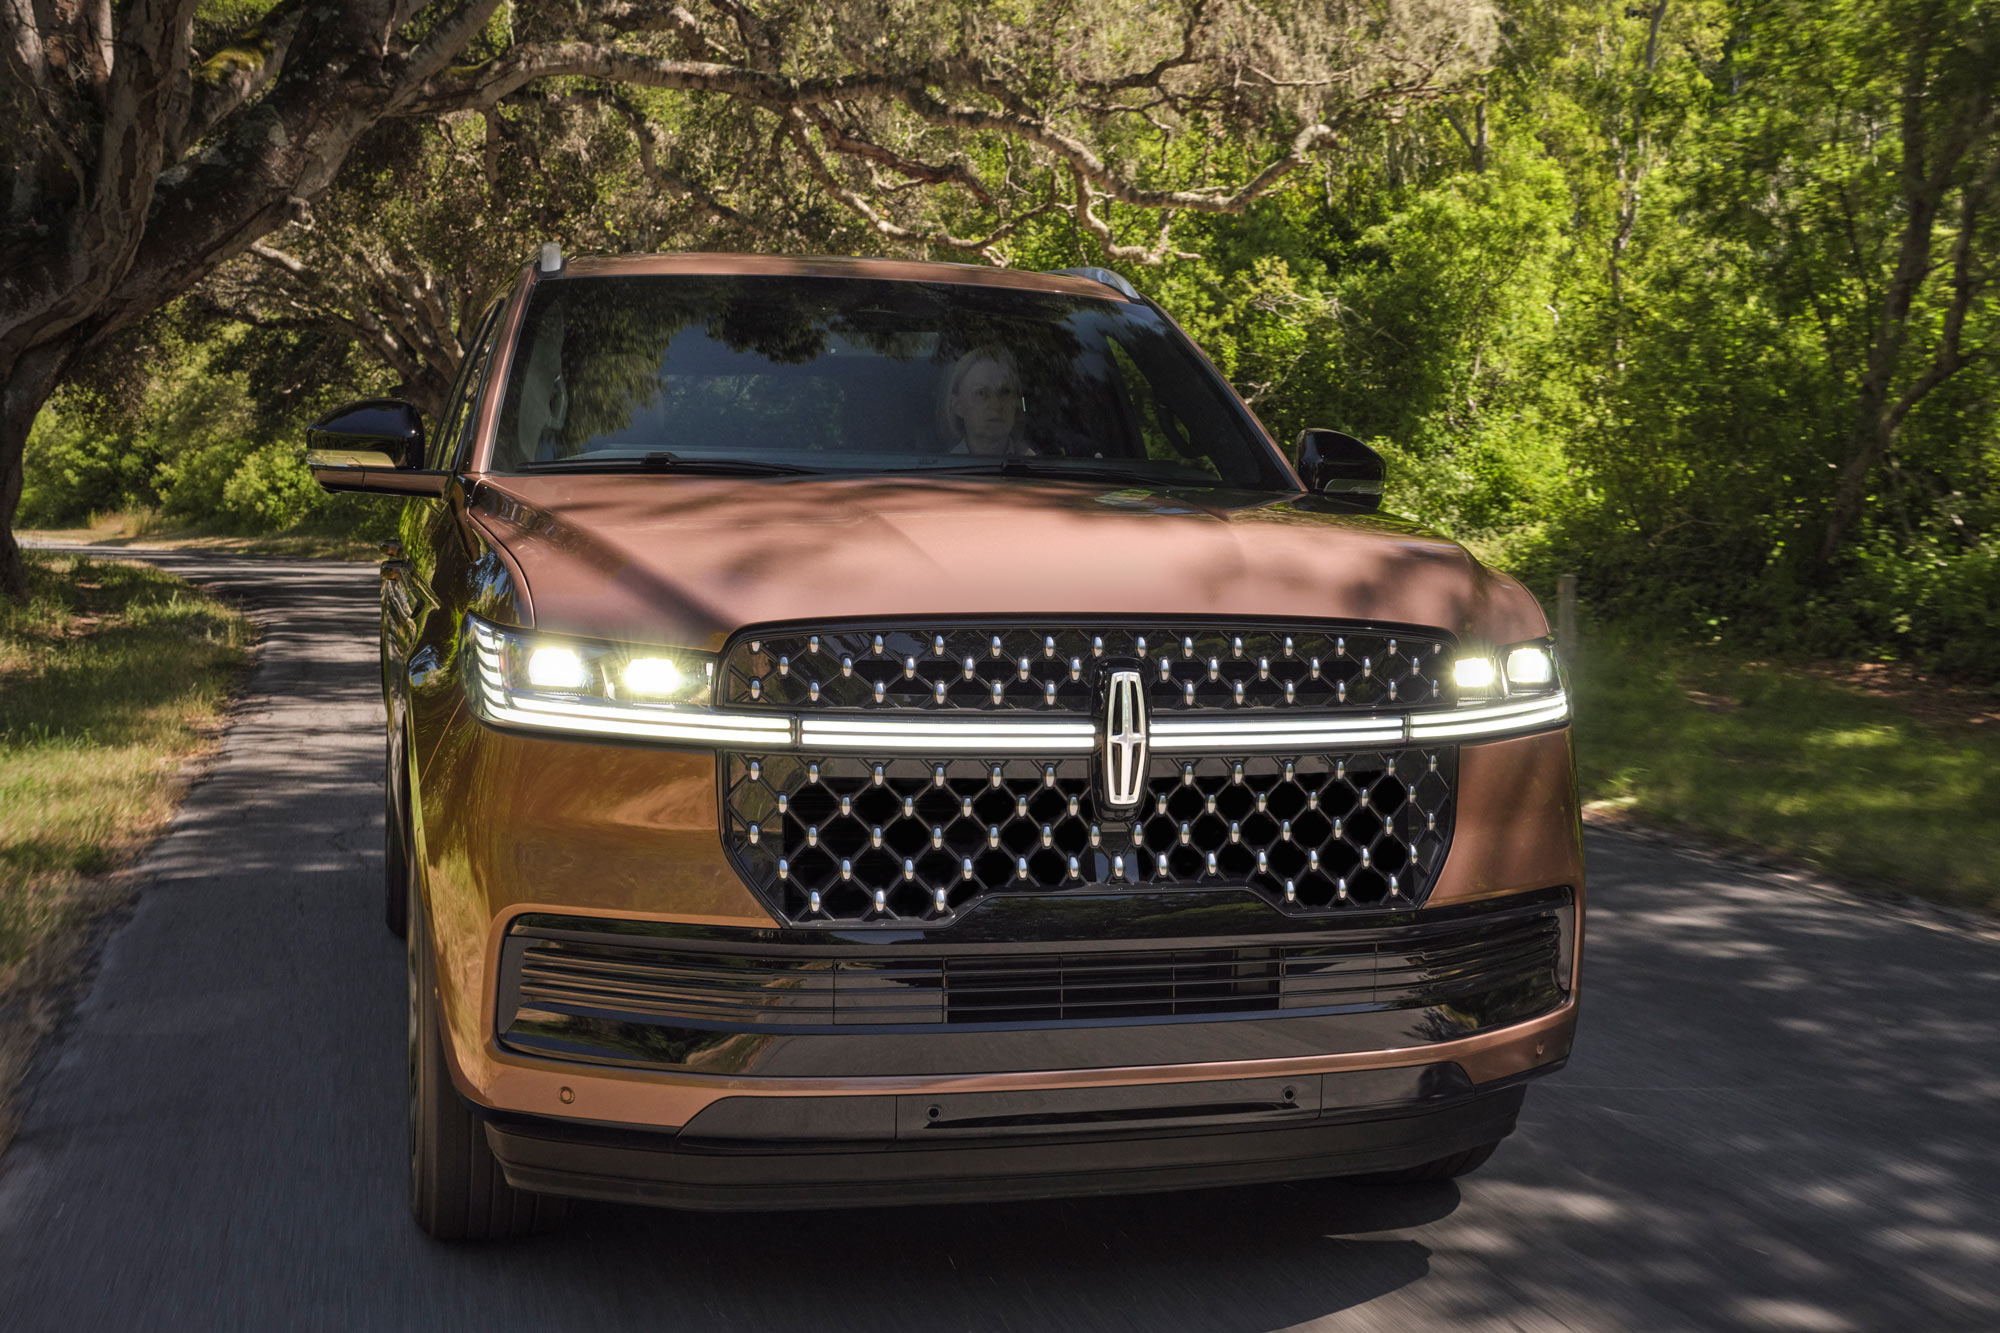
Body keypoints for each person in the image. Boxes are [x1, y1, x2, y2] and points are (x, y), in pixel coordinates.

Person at [938, 345, 1034, 456]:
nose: (996, 405)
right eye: (981, 393)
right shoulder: (939, 467)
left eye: (1005, 392)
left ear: (1016, 402)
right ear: (957, 406)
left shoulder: (1038, 467)